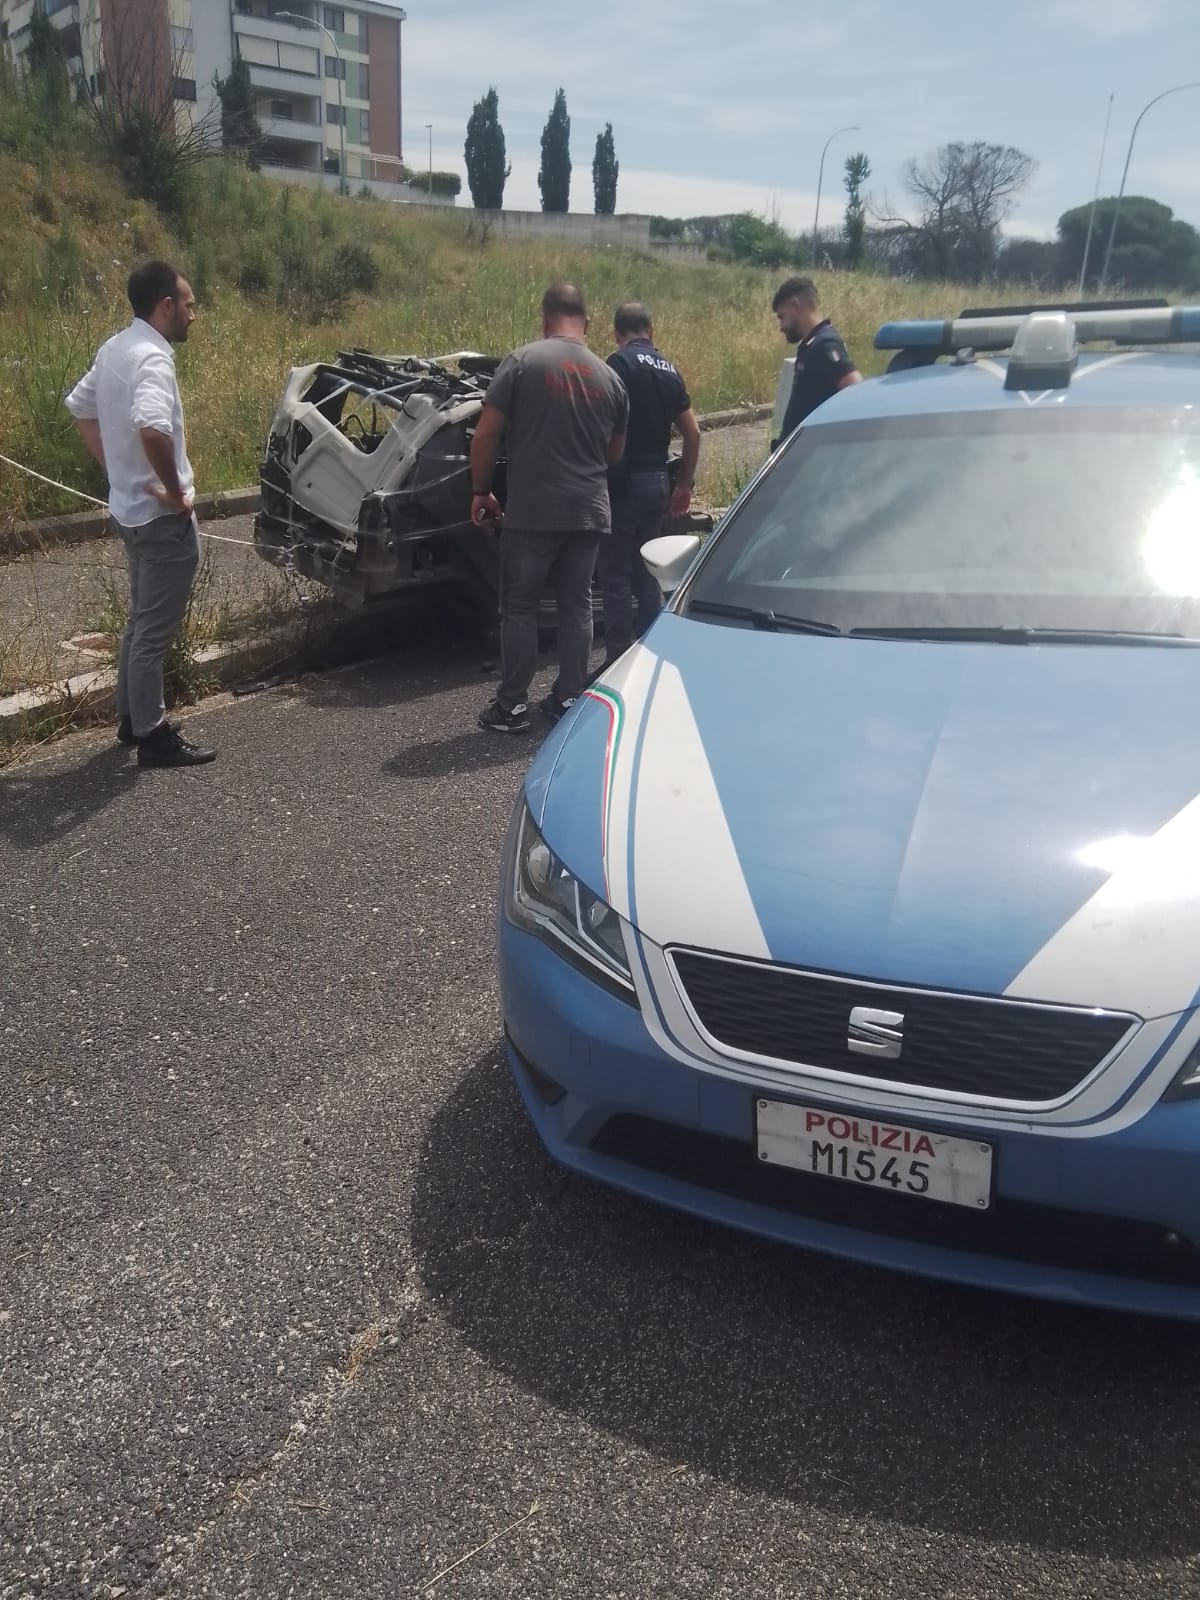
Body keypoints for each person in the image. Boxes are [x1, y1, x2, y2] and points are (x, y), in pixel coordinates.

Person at [66, 259, 216, 767]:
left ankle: (131, 721)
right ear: (166, 306)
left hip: (129, 511)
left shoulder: (115, 347)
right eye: (190, 305)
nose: (194, 315)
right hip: (159, 521)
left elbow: (80, 406)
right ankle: (151, 736)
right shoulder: (153, 358)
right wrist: (176, 495)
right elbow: (153, 430)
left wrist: (115, 469)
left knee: (139, 621)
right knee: (153, 629)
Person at [471, 282, 628, 733]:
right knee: (576, 605)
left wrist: (482, 490)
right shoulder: (610, 378)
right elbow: (614, 453)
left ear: (545, 319)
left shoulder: (523, 361)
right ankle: (568, 697)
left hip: (535, 510)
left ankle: (512, 706)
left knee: (519, 605)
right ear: (587, 321)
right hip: (589, 510)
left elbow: (485, 435)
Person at [599, 302, 701, 666]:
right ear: (651, 331)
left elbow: (604, 426)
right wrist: (684, 484)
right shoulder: (670, 370)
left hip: (625, 483)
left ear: (616, 333)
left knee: (614, 573)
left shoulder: (617, 366)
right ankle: (648, 650)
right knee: (648, 569)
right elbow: (693, 433)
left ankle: (616, 658)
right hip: (658, 482)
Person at [771, 275, 861, 447]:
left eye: (782, 317)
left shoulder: (825, 345)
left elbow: (856, 391)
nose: (781, 327)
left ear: (796, 306)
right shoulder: (812, 344)